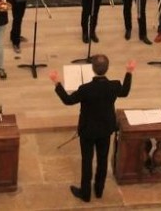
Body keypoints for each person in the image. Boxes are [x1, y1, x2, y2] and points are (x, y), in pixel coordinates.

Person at [49, 54, 135, 203]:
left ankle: (85, 193)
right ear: (107, 68)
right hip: (105, 129)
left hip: (87, 130)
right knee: (102, 160)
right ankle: (99, 190)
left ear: (92, 69)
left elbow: (68, 100)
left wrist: (57, 82)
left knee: (87, 160)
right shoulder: (114, 86)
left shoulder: (85, 89)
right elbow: (125, 91)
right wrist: (129, 72)